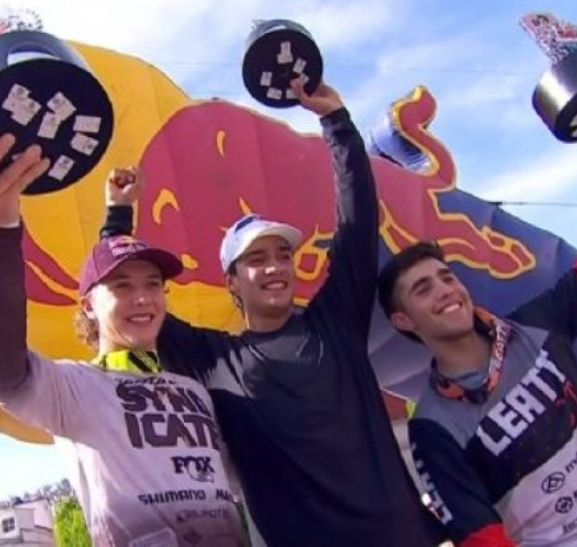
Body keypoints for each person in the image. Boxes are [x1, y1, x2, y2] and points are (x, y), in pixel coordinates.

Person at [103, 78, 439, 546]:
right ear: (232, 280)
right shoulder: (213, 359)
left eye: (283, 255)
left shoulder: (335, 321)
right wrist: (118, 216)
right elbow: (126, 299)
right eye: (257, 260)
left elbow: (357, 221)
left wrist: (337, 122)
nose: (276, 266)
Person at [376, 124, 577, 545]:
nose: (445, 290)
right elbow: (481, 537)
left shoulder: (536, 323)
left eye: (446, 277)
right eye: (423, 289)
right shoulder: (431, 428)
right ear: (404, 320)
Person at [0, 134, 246, 546]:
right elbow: (1, 370)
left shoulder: (195, 391)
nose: (142, 297)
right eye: (122, 286)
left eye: (153, 284)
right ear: (88, 304)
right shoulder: (75, 389)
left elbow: (252, 478)